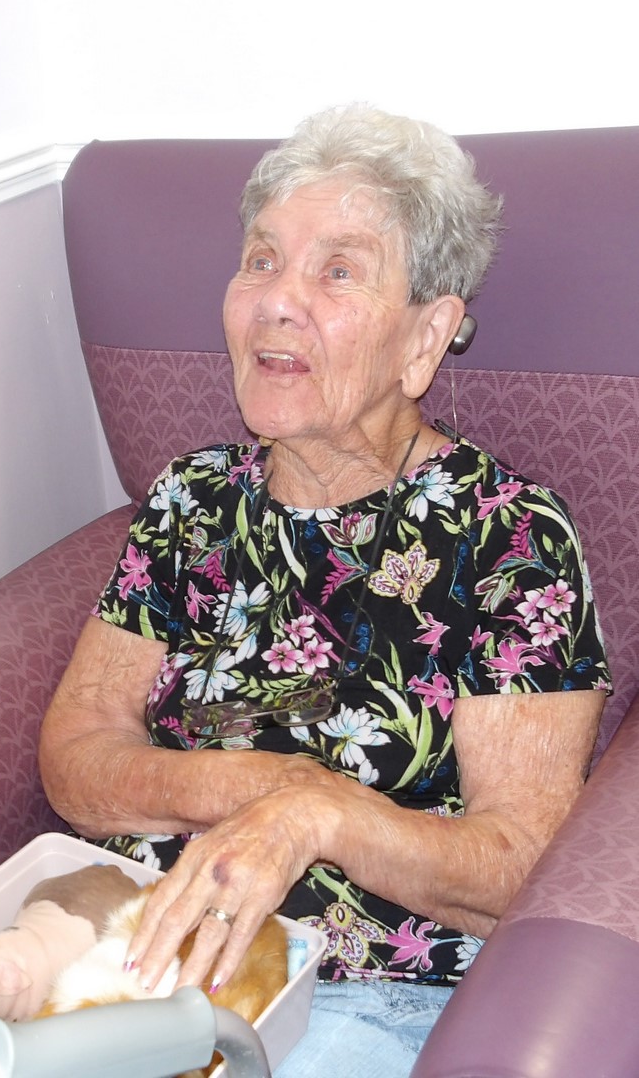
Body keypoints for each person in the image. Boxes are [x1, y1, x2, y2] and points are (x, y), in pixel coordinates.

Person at [39, 104, 611, 1076]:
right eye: (261, 260)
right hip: (133, 956)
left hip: (363, 997)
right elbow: (75, 759)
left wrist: (323, 817)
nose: (277, 301)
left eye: (338, 271)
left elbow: (520, 863)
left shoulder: (509, 539)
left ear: (427, 336)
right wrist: (261, 788)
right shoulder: (190, 500)